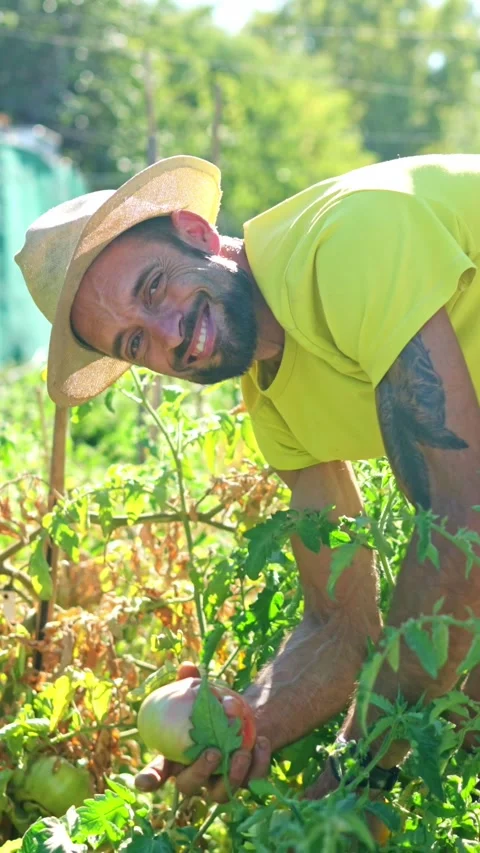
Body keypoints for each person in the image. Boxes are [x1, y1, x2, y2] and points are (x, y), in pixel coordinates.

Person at [16, 154, 480, 811]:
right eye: (133, 343)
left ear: (197, 233)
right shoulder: (277, 406)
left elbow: (464, 521)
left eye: (154, 289)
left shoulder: (344, 243)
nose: (171, 337)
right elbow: (338, 623)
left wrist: (353, 777)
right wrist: (245, 720)